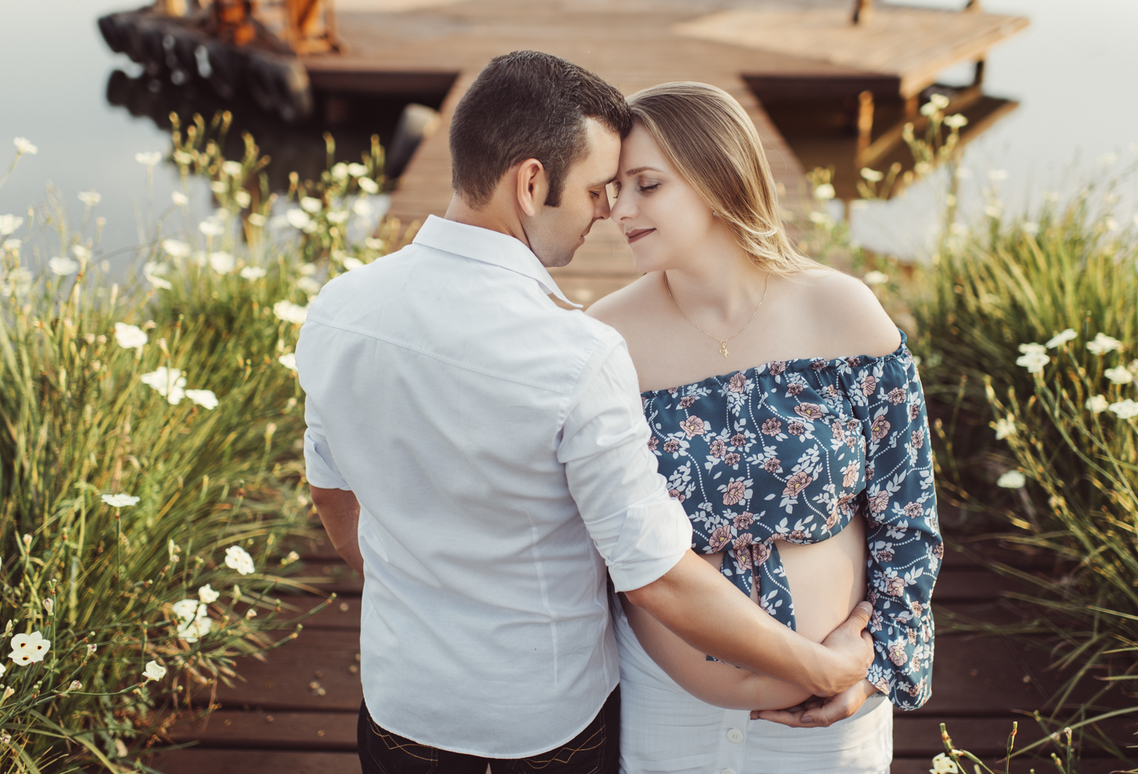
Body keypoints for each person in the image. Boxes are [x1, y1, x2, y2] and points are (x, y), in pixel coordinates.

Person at [295, 53, 876, 774]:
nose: (609, 212)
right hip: (542, 728)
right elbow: (655, 573)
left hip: (399, 706)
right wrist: (827, 671)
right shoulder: (577, 352)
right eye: (599, 190)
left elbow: (331, 492)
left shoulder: (338, 311)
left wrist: (421, 587)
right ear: (532, 183)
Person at [586, 82, 943, 774]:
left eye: (646, 186)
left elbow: (908, 512)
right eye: (611, 190)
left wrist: (876, 671)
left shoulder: (842, 312)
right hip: (664, 708)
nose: (619, 210)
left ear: (718, 177)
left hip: (836, 708)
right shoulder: (605, 337)